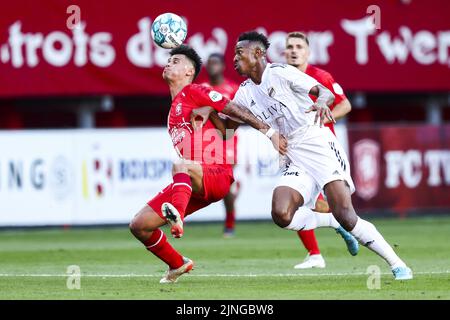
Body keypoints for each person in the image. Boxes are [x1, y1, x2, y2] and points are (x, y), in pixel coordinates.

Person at [198, 31, 412, 280]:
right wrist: (210, 111)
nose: (234, 59)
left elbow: (326, 93)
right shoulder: (244, 92)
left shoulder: (280, 72)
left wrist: (321, 102)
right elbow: (226, 132)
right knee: (281, 214)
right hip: (292, 154)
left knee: (347, 214)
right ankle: (331, 222)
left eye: (239, 53)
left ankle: (397, 264)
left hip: (317, 143)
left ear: (257, 53)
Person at [129, 45, 287, 283]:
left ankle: (177, 220)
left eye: (176, 60)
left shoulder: (195, 91)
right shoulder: (174, 108)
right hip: (194, 182)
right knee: (139, 225)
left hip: (216, 174)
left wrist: (270, 132)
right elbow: (226, 130)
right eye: (169, 60)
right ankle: (177, 264)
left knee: (180, 165)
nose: (169, 63)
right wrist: (211, 113)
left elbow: (234, 109)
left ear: (189, 71)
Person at [285, 31, 357, 269]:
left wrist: (324, 119)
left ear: (307, 52)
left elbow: (345, 104)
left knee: (333, 204)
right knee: (296, 202)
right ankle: (315, 253)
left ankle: (346, 225)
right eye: (290, 47)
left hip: (322, 148)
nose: (294, 50)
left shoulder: (320, 76)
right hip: (295, 149)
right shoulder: (280, 77)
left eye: (299, 46)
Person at [202, 53, 240, 237]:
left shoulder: (232, 89)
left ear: (223, 66)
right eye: (209, 63)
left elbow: (240, 116)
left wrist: (228, 137)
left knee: (225, 188)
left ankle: (230, 223)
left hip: (228, 140)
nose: (211, 66)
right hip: (205, 141)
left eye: (215, 63)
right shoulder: (200, 88)